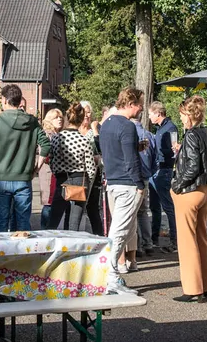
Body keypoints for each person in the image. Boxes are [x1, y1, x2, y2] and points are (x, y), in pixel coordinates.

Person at [0, 84, 51, 232]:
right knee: (23, 223)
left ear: (5, 100)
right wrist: (36, 168)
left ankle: (1, 253)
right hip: (24, 178)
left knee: (1, 222)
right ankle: (21, 253)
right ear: (19, 100)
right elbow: (45, 145)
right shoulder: (32, 121)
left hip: (3, 178)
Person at [172, 95, 207, 303]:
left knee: (187, 241)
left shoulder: (191, 135)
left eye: (182, 115)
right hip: (206, 189)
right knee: (202, 238)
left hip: (190, 192)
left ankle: (192, 289)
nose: (181, 119)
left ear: (189, 115)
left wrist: (176, 185)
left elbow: (192, 167)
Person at [100, 88, 147, 292]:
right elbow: (130, 161)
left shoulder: (106, 124)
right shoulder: (127, 126)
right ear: (130, 104)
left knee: (120, 228)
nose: (141, 109)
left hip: (112, 181)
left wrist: (136, 146)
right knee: (120, 230)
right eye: (139, 105)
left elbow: (112, 151)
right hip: (128, 184)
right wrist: (140, 184)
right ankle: (110, 274)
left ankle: (110, 273)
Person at [49, 102, 100, 233]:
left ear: (67, 118)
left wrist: (58, 172)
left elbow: (52, 162)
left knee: (54, 219)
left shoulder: (56, 138)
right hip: (80, 180)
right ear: (80, 120)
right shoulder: (83, 140)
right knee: (74, 222)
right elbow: (90, 168)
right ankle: (72, 248)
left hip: (62, 179)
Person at [148, 102, 178, 252]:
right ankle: (154, 238)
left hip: (164, 169)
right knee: (154, 206)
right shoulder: (159, 129)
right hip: (155, 170)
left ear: (158, 113)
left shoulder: (170, 128)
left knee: (167, 205)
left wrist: (158, 152)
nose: (149, 117)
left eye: (150, 114)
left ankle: (175, 240)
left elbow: (172, 151)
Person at [134, 119, 158, 256]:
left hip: (134, 177)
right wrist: (150, 172)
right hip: (146, 176)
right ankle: (148, 243)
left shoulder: (129, 132)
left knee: (134, 212)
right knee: (143, 211)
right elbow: (155, 157)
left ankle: (137, 246)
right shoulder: (148, 134)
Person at [37, 108, 64, 228]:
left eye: (61, 117)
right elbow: (43, 152)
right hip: (49, 173)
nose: (59, 119)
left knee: (55, 203)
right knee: (48, 203)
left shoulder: (60, 134)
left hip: (58, 174)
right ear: (49, 120)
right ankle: (44, 231)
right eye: (56, 117)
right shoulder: (46, 134)